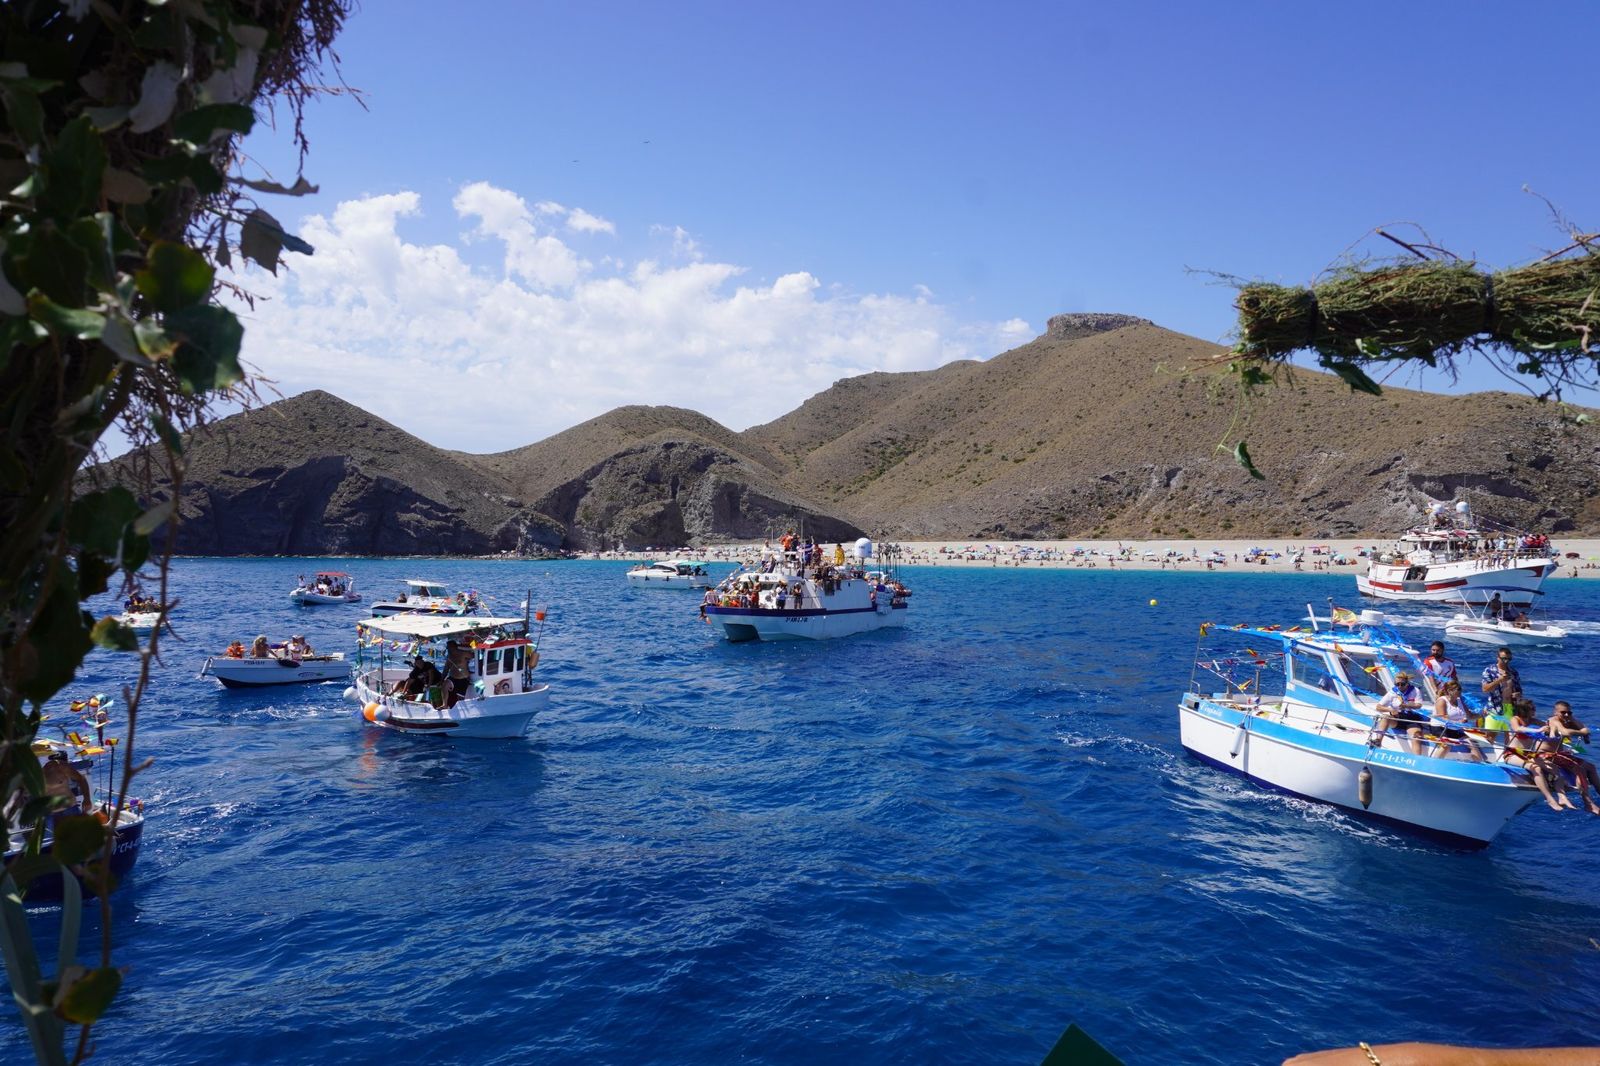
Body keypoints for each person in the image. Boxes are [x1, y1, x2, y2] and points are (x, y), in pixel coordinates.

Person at [1541, 700, 1600, 815]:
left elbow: (1585, 729)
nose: (1567, 715)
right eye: (1563, 712)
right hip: (1548, 755)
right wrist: (1582, 733)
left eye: (1569, 713)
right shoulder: (1553, 721)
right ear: (1555, 712)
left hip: (1560, 754)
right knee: (1579, 769)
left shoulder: (1568, 720)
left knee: (1591, 767)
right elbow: (1566, 733)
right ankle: (1588, 804)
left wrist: (1577, 726)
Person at [1370, 671, 1426, 755]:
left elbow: (1419, 705)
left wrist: (1407, 705)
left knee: (1416, 736)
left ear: (1407, 683)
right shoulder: (1393, 692)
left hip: (1411, 718)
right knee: (1385, 717)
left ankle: (1416, 760)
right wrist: (1390, 710)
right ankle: (1378, 740)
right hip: (1397, 717)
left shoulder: (1415, 690)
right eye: (1397, 684)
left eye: (1402, 684)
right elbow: (1378, 707)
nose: (1400, 686)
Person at [1429, 679, 1483, 762]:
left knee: (1473, 744)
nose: (1460, 691)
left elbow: (1470, 716)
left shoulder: (1459, 701)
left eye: (1460, 689)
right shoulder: (1442, 701)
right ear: (1449, 691)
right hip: (1440, 728)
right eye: (1458, 689)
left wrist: (1482, 714)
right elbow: (1443, 718)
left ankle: (1479, 765)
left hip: (1455, 729)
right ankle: (1434, 763)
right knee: (1446, 745)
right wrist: (1458, 723)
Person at [1480, 647, 1522, 714]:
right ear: (1498, 657)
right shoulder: (1489, 671)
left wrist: (1518, 694)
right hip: (1494, 708)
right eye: (1504, 659)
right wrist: (1499, 680)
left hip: (1511, 708)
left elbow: (1519, 690)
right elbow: (1485, 689)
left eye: (1509, 659)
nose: (1506, 661)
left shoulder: (1513, 672)